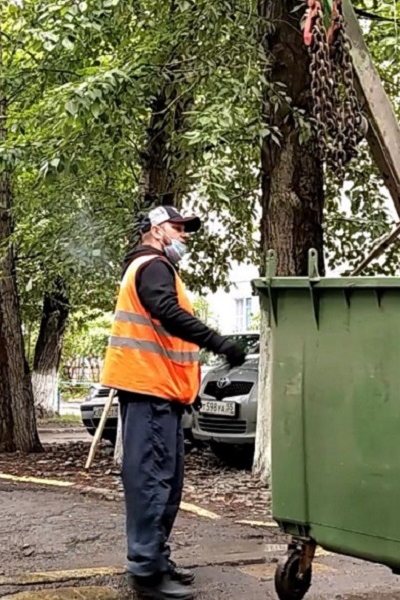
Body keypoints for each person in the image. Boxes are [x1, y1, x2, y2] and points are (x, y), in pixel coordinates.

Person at [101, 205, 246, 600]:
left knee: (165, 482)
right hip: (149, 390)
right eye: (178, 228)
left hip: (159, 392)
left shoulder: (150, 267)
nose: (184, 235)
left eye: (186, 229)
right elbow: (166, 312)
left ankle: (156, 560)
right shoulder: (153, 266)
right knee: (151, 481)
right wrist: (218, 342)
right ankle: (147, 573)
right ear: (157, 229)